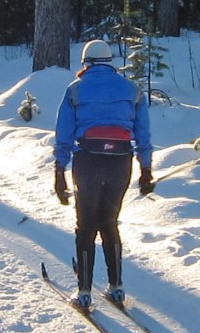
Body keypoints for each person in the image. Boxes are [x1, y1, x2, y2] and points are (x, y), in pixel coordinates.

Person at [52, 39, 154, 310]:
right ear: (110, 62)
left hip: (88, 160)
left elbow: (63, 134)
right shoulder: (132, 90)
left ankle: (84, 292)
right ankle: (116, 287)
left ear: (85, 63)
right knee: (109, 221)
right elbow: (143, 134)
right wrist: (146, 170)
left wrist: (59, 172)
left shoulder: (75, 90)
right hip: (120, 162)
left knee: (86, 225)